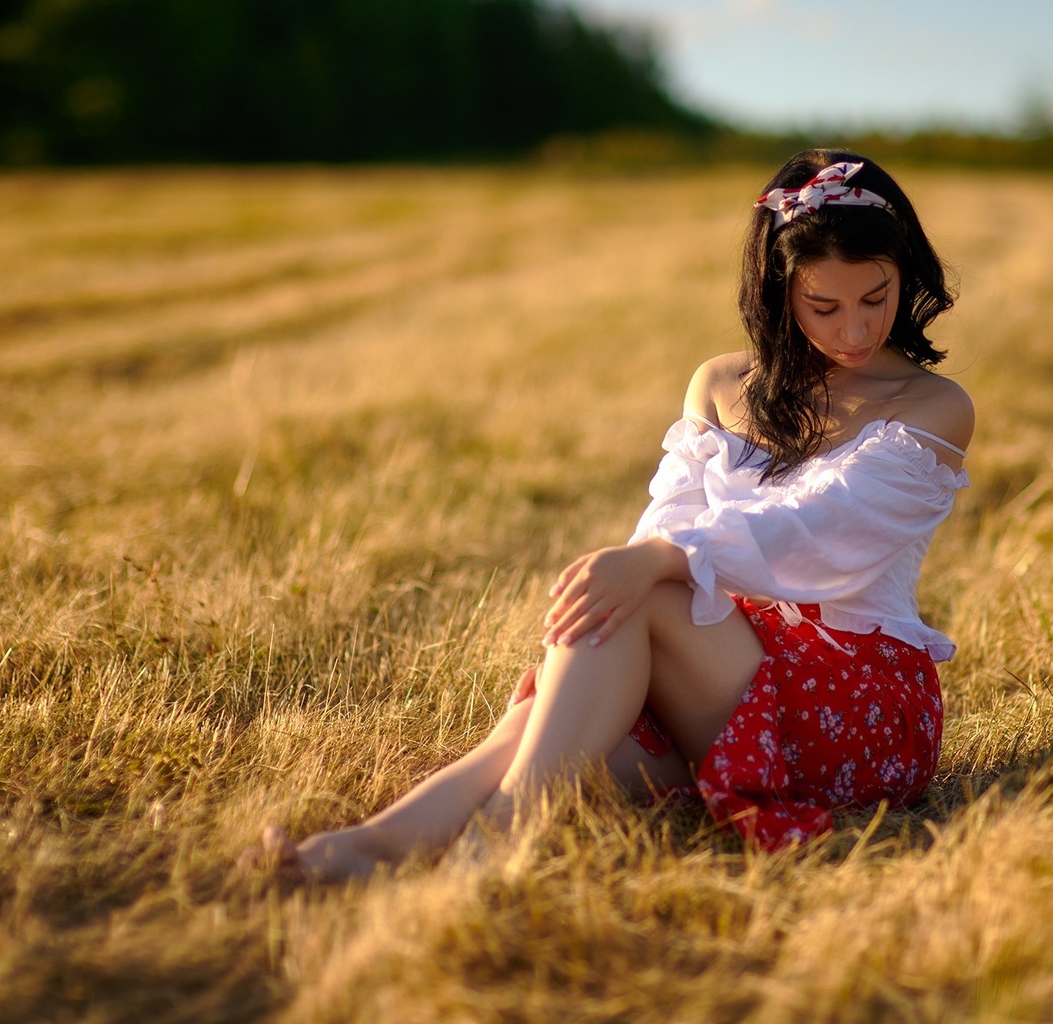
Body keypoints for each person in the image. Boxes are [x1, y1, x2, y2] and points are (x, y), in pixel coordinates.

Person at [254, 149, 973, 879]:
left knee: (647, 590)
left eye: (874, 299)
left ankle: (498, 841)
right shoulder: (723, 383)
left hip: (855, 707)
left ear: (904, 275)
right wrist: (647, 566)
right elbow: (667, 522)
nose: (853, 329)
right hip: (714, 671)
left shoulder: (933, 407)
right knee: (550, 734)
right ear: (778, 293)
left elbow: (814, 533)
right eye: (824, 307)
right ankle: (374, 844)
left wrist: (658, 562)